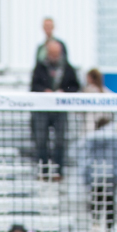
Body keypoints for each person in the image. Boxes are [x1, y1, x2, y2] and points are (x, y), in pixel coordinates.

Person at [29, 40, 79, 180]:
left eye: (56, 53)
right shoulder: (39, 67)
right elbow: (33, 86)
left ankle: (58, 171)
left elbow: (74, 87)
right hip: (42, 110)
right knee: (41, 141)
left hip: (60, 110)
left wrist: (64, 92)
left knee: (60, 141)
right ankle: (43, 170)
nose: (54, 56)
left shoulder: (68, 68)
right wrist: (45, 91)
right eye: (51, 53)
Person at [83, 117, 117, 232]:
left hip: (96, 174)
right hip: (112, 174)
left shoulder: (90, 137)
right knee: (110, 202)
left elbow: (85, 156)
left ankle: (95, 224)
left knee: (96, 199)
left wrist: (85, 176)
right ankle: (108, 231)